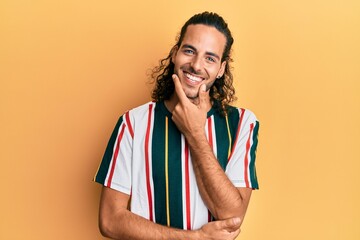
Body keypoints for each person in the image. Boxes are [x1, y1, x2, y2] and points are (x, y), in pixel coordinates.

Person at [94, 11, 259, 240]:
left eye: (210, 58)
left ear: (221, 69)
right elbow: (110, 220)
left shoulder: (242, 124)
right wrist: (196, 238)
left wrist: (195, 134)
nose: (196, 65)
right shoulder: (132, 123)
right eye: (189, 51)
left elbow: (232, 216)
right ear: (175, 54)